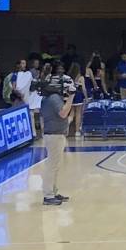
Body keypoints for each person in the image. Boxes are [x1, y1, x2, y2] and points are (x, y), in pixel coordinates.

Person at [33, 67, 71, 207]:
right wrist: (71, 97)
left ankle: (53, 192)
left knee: (55, 165)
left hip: (54, 134)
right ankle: (48, 195)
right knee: (52, 165)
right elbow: (63, 113)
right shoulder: (54, 98)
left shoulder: (47, 98)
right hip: (54, 135)